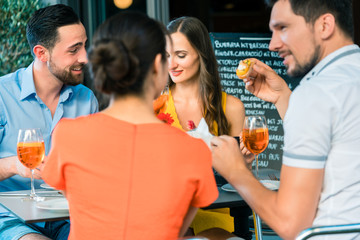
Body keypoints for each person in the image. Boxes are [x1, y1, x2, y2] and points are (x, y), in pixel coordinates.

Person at [41, 11, 218, 240]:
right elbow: (176, 228)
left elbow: (76, 202)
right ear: (157, 65)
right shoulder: (194, 151)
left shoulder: (67, 135)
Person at [211, 0, 360, 239]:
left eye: (283, 28)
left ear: (325, 25)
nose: (272, 45)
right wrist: (282, 98)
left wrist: (236, 171)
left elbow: (291, 223)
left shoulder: (315, 93)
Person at [0, 4, 98, 240]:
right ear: (41, 53)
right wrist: (15, 165)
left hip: (68, 215)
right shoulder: (2, 95)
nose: (84, 58)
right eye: (74, 50)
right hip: (12, 218)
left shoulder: (86, 99)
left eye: (84, 46)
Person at [158, 16, 252, 237]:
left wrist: (244, 164)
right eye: (167, 55)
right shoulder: (153, 105)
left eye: (181, 55)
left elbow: (238, 184)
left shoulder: (231, 107)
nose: (172, 64)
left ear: (202, 55)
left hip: (219, 215)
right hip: (168, 219)